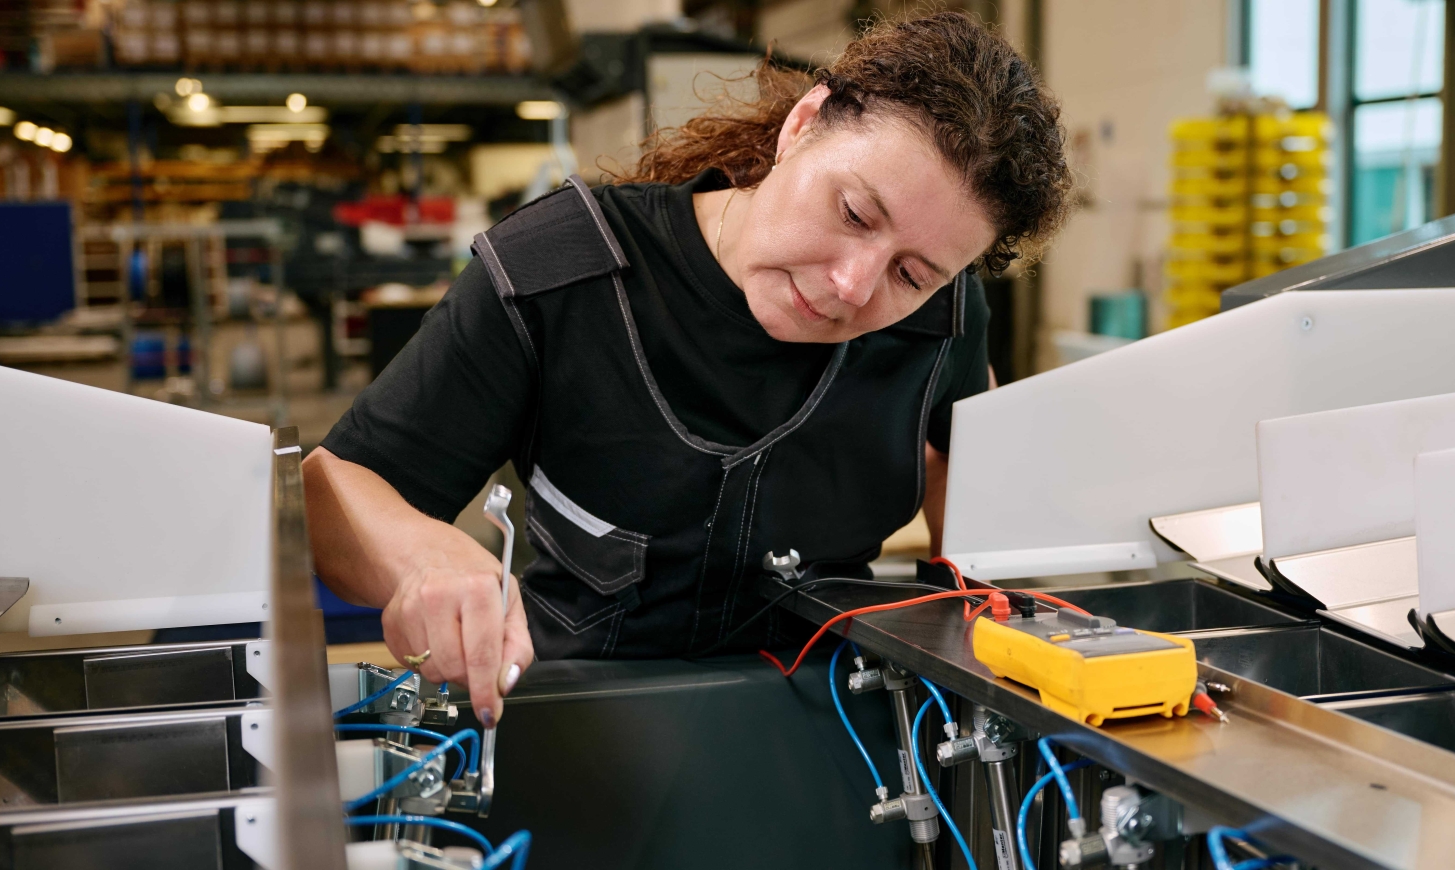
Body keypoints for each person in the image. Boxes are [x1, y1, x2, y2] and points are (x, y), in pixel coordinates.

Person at [304, 12, 1070, 729]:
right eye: (855, 215)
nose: (854, 286)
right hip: (582, 730)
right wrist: (429, 557)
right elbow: (336, 485)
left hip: (836, 732)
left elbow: (968, 476)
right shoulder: (561, 272)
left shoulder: (945, 318)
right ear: (801, 127)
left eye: (912, 273)